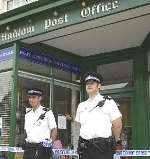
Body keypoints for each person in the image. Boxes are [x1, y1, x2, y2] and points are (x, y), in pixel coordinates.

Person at [75, 72, 122, 159]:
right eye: (87, 83)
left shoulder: (108, 102)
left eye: (92, 83)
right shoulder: (81, 105)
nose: (89, 85)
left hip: (102, 148)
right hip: (85, 148)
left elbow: (117, 125)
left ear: (99, 86)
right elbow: (79, 126)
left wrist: (115, 140)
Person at [23, 88, 57, 159]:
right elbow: (26, 131)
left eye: (34, 97)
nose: (31, 100)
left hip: (42, 149)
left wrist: (50, 144)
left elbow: (54, 130)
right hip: (29, 148)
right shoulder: (27, 114)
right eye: (29, 97)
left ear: (40, 98)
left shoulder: (47, 112)